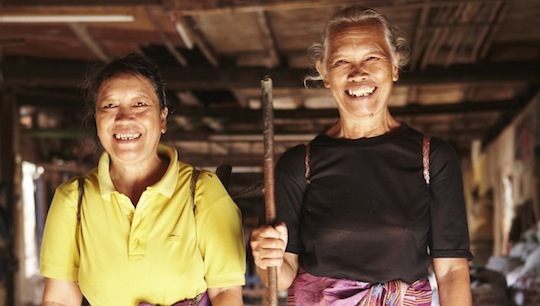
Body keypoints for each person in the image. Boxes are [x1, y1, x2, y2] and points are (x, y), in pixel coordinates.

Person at [250, 6, 473, 306]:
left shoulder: (433, 160)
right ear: (324, 73)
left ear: (394, 66)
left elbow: (450, 272)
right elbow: (281, 275)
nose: (358, 73)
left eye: (372, 58)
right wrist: (267, 257)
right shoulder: (296, 165)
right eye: (342, 61)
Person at [40, 53, 246, 305]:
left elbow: (226, 292)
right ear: (97, 120)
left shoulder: (200, 190)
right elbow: (59, 300)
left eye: (139, 104)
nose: (124, 117)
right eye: (109, 106)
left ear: (162, 119)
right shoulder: (73, 199)